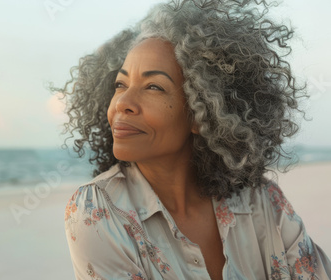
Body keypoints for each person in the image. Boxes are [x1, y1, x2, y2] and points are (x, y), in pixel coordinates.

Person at [52, 0, 331, 279]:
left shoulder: (263, 202)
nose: (122, 102)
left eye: (153, 87)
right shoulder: (96, 210)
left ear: (202, 113)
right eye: (120, 84)